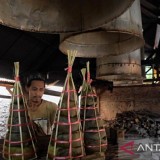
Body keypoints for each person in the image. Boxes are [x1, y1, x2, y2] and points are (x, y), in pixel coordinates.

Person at [24, 72, 58, 157]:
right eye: (34, 89)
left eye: (41, 89)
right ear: (27, 88)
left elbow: (58, 130)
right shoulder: (20, 108)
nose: (38, 93)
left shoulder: (52, 107)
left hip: (44, 149)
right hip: (24, 148)